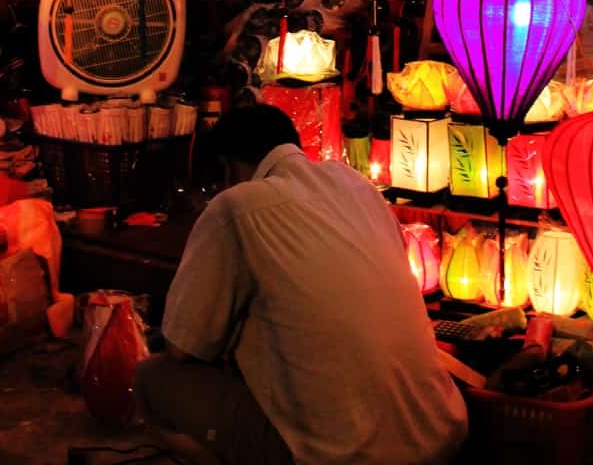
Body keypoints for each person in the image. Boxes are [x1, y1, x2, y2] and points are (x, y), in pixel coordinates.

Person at [137, 104, 467, 465]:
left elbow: (183, 347)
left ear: (228, 166)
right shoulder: (359, 186)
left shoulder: (236, 206)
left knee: (153, 378)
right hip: (441, 434)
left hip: (346, 456)